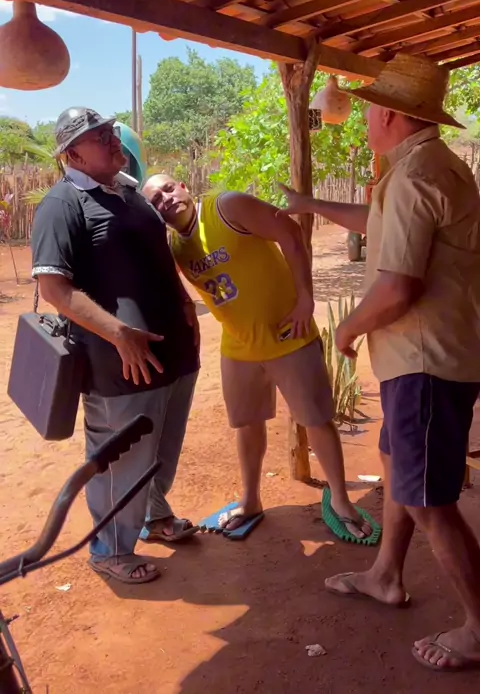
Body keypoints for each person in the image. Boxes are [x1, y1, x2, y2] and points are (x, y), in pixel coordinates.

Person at [280, 53, 480, 673]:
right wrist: (310, 204)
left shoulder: (416, 176)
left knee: (428, 500)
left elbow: (398, 287)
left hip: (425, 365)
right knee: (398, 467)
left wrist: (347, 329)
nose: (365, 118)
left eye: (370, 109)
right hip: (431, 357)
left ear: (391, 115)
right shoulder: (429, 167)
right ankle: (386, 574)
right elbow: (379, 223)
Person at [142, 173, 374, 542]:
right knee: (247, 425)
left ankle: (341, 501)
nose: (166, 199)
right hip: (238, 346)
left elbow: (290, 233)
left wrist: (306, 299)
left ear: (183, 186)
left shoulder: (227, 206)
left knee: (316, 420)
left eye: (168, 189)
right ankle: (251, 500)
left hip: (288, 335)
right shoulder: (176, 246)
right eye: (155, 200)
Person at [31, 108, 200, 585]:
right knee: (119, 459)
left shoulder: (129, 193)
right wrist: (120, 333)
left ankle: (154, 516)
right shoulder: (62, 205)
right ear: (72, 155)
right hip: (120, 364)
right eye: (97, 136)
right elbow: (54, 289)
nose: (110, 139)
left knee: (163, 445)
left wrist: (184, 303)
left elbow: (158, 257)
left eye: (109, 130)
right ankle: (109, 550)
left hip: (173, 352)